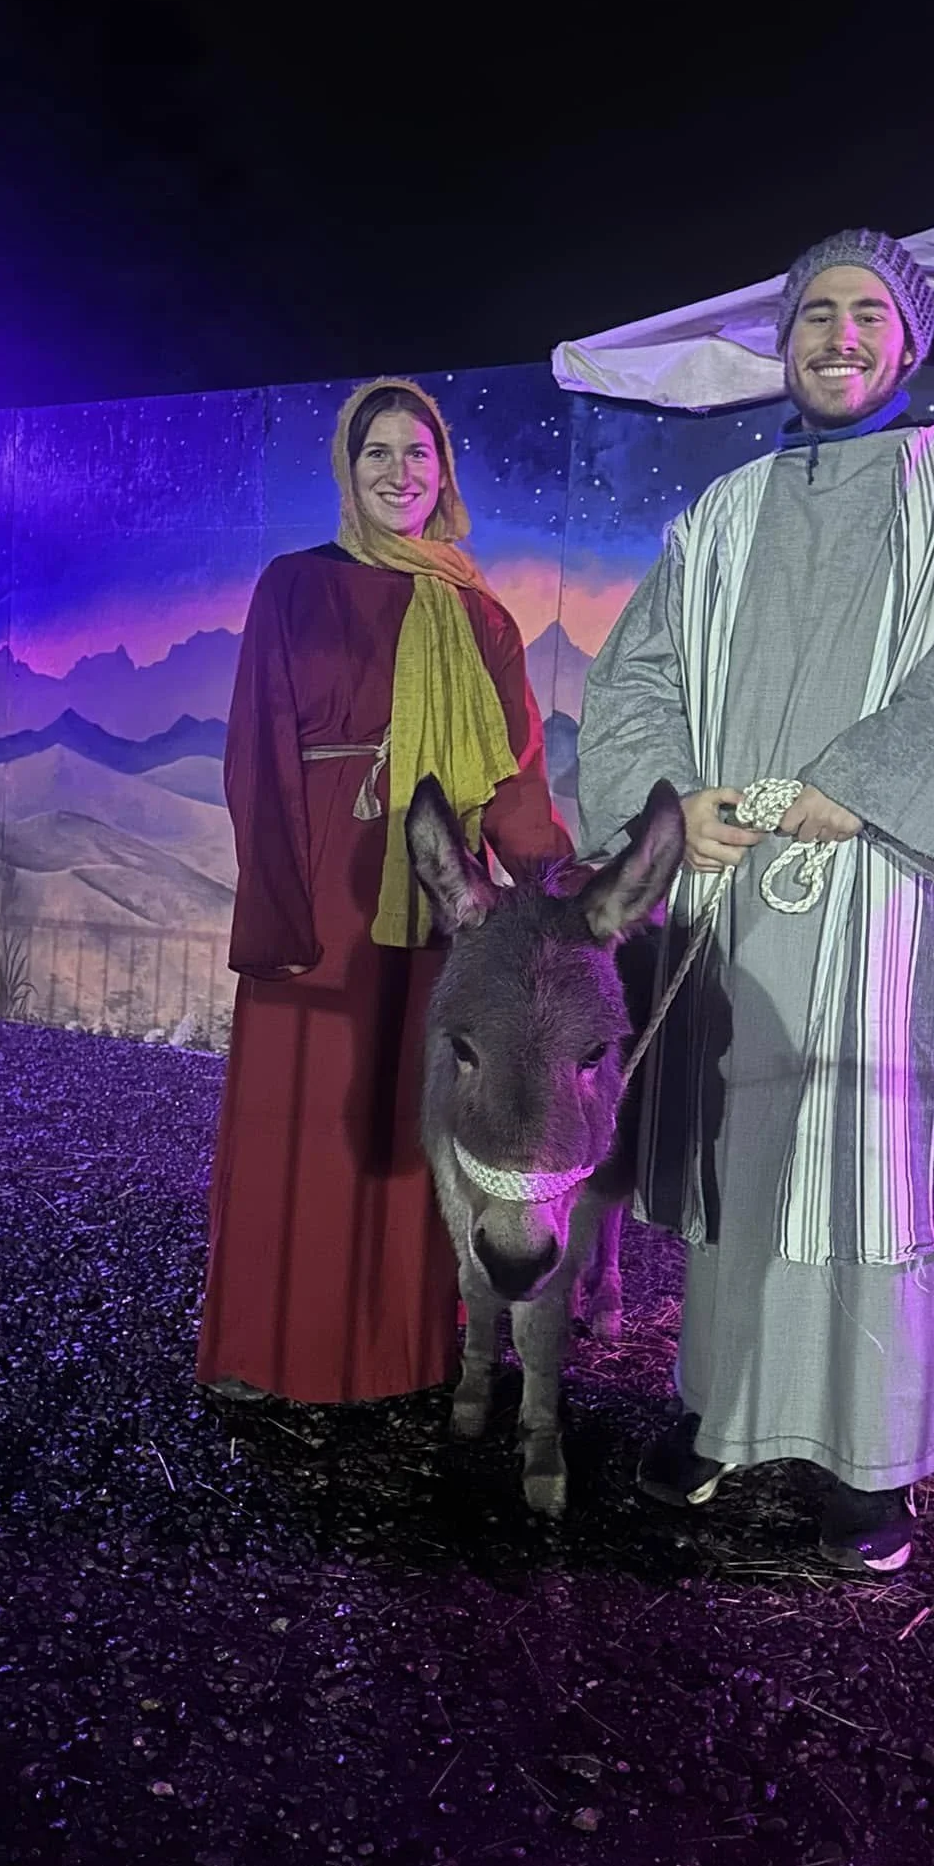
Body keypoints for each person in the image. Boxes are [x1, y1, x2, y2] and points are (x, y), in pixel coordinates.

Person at [577, 229, 934, 1572]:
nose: (839, 337)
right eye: (815, 316)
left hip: (886, 899)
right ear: (785, 340)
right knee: (742, 1151)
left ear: (910, 340)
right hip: (738, 889)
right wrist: (674, 806)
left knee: (870, 1158)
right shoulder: (722, 515)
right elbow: (635, 676)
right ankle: (720, 1412)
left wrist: (861, 786)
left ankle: (872, 1460)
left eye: (867, 314)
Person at [198, 378, 572, 1405]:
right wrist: (275, 902)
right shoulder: (294, 587)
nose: (398, 472)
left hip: (439, 897)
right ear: (347, 469)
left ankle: (396, 1352)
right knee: (300, 1117)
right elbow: (257, 750)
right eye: (377, 453)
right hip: (325, 893)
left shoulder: (480, 616)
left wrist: (563, 891)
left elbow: (513, 781)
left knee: (413, 1120)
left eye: (418, 453)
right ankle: (269, 1347)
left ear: (443, 473)